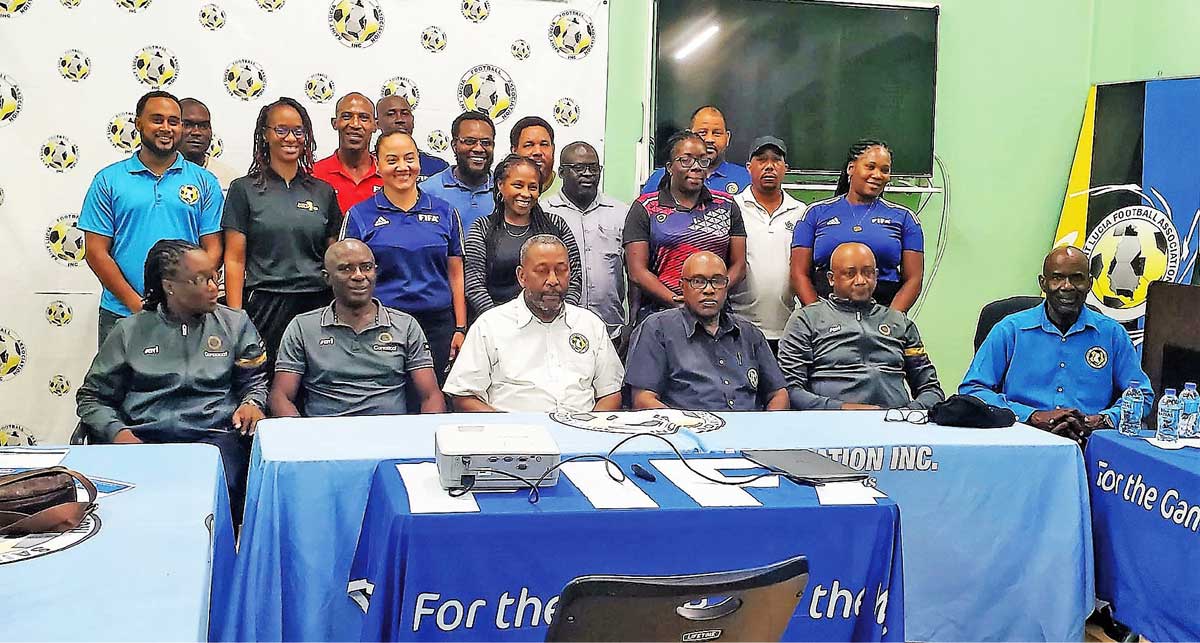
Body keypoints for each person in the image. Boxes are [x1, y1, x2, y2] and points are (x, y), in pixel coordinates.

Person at [77, 239, 266, 515]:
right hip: (144, 439)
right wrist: (118, 433)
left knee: (207, 501)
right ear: (169, 286)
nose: (214, 287)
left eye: (214, 277)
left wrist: (252, 402)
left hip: (214, 439)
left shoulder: (235, 324)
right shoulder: (129, 331)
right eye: (200, 280)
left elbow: (254, 381)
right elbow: (92, 397)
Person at [960, 246, 1153, 443]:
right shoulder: (1010, 330)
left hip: (1090, 445)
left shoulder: (1112, 334)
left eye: (1077, 278)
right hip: (1022, 440)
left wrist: (1104, 419)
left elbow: (1142, 395)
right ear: (1043, 283)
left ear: (1090, 283)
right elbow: (972, 389)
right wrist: (1031, 416)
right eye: (1057, 278)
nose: (1067, 286)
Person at [79, 90, 223, 347]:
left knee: (188, 388)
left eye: (173, 121)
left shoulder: (205, 182)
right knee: (115, 388)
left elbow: (212, 248)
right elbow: (96, 252)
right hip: (121, 314)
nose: (166, 128)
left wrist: (184, 298)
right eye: (157, 120)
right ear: (138, 124)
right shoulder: (108, 180)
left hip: (187, 315)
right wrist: (139, 306)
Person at [222, 97, 340, 376]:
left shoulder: (322, 191)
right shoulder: (243, 190)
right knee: (263, 382)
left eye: (299, 131)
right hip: (264, 303)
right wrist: (236, 318)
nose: (291, 138)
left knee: (314, 382)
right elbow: (235, 260)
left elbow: (334, 256)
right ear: (265, 134)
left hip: (315, 304)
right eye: (281, 130)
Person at [340, 132, 467, 383]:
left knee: (435, 400)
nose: (402, 167)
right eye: (392, 159)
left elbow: (456, 272)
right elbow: (344, 277)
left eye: (409, 158)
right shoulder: (359, 215)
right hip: (379, 325)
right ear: (377, 164)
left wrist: (460, 327)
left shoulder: (445, 212)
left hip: (437, 326)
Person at [444, 235, 623, 412]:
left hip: (582, 431)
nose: (553, 280)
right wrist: (509, 428)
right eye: (542, 271)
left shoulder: (590, 324)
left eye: (561, 270)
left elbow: (610, 393)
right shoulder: (490, 326)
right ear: (522, 276)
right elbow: (464, 396)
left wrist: (588, 431)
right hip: (513, 434)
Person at [270, 240, 444, 417]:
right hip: (324, 436)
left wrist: (423, 438)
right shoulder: (302, 327)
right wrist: (300, 437)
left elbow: (431, 396)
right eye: (346, 269)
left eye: (366, 267)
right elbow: (280, 396)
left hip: (391, 435)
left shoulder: (405, 325)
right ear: (327, 277)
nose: (359, 276)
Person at [777, 242, 944, 410]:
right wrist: (840, 408)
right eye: (850, 274)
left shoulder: (900, 323)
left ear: (876, 275)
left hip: (894, 425)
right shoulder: (806, 319)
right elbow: (790, 390)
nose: (861, 280)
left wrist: (907, 413)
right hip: (829, 423)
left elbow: (931, 390)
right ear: (831, 278)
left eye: (868, 273)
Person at [624, 251, 788, 411]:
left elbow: (778, 394)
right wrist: (687, 426)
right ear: (682, 287)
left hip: (748, 432)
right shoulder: (657, 329)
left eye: (717, 281)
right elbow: (643, 400)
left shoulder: (749, 333)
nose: (709, 290)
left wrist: (766, 430)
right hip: (686, 433)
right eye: (698, 281)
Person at [623, 130, 747, 324]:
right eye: (686, 160)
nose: (696, 167)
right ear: (670, 167)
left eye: (702, 160)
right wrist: (678, 302)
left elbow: (739, 266)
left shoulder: (727, 205)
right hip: (661, 315)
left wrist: (712, 296)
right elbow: (637, 272)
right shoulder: (645, 208)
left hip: (716, 317)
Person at [790, 138, 923, 311]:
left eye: (885, 170)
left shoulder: (905, 218)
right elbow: (798, 274)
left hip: (883, 316)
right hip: (825, 317)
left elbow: (914, 279)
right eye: (870, 167)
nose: (877, 175)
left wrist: (891, 320)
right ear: (850, 169)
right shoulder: (814, 214)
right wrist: (818, 318)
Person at [463, 155, 582, 317]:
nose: (525, 194)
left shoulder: (556, 225)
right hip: (498, 326)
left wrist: (558, 317)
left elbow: (574, 277)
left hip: (551, 321)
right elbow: (474, 285)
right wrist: (501, 322)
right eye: (518, 185)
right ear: (500, 186)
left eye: (532, 187)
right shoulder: (483, 228)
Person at [542, 141, 628, 345]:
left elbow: (634, 273)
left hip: (611, 330)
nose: (588, 174)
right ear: (561, 172)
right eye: (579, 168)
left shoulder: (621, 212)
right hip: (557, 329)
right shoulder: (544, 213)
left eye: (593, 168)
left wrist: (630, 325)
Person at [730, 136, 807, 351]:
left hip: (786, 329)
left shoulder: (801, 212)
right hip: (738, 326)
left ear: (785, 168)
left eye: (776, 161)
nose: (769, 166)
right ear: (749, 167)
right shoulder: (732, 208)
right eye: (762, 160)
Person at [641, 105, 751, 196]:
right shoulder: (661, 178)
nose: (709, 139)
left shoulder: (746, 179)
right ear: (689, 135)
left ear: (727, 138)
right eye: (703, 132)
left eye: (717, 133)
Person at [423, 111, 496, 234]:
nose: (478, 149)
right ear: (454, 146)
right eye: (469, 141)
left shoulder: (505, 190)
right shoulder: (427, 191)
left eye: (486, 143)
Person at [311, 92, 381, 214]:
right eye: (347, 117)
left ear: (375, 125)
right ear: (335, 123)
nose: (355, 124)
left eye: (363, 117)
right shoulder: (314, 174)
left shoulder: (388, 175)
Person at [376, 94, 449, 181]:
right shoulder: (367, 167)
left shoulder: (438, 167)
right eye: (391, 114)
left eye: (405, 113)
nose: (400, 119)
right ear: (377, 123)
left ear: (412, 120)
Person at [178, 97, 238, 191]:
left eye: (203, 126)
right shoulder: (157, 174)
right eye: (187, 125)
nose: (196, 132)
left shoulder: (229, 177)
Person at [510, 115, 559, 197]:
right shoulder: (503, 190)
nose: (538, 152)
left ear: (553, 149)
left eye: (544, 144)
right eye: (529, 145)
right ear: (514, 151)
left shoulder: (568, 188)